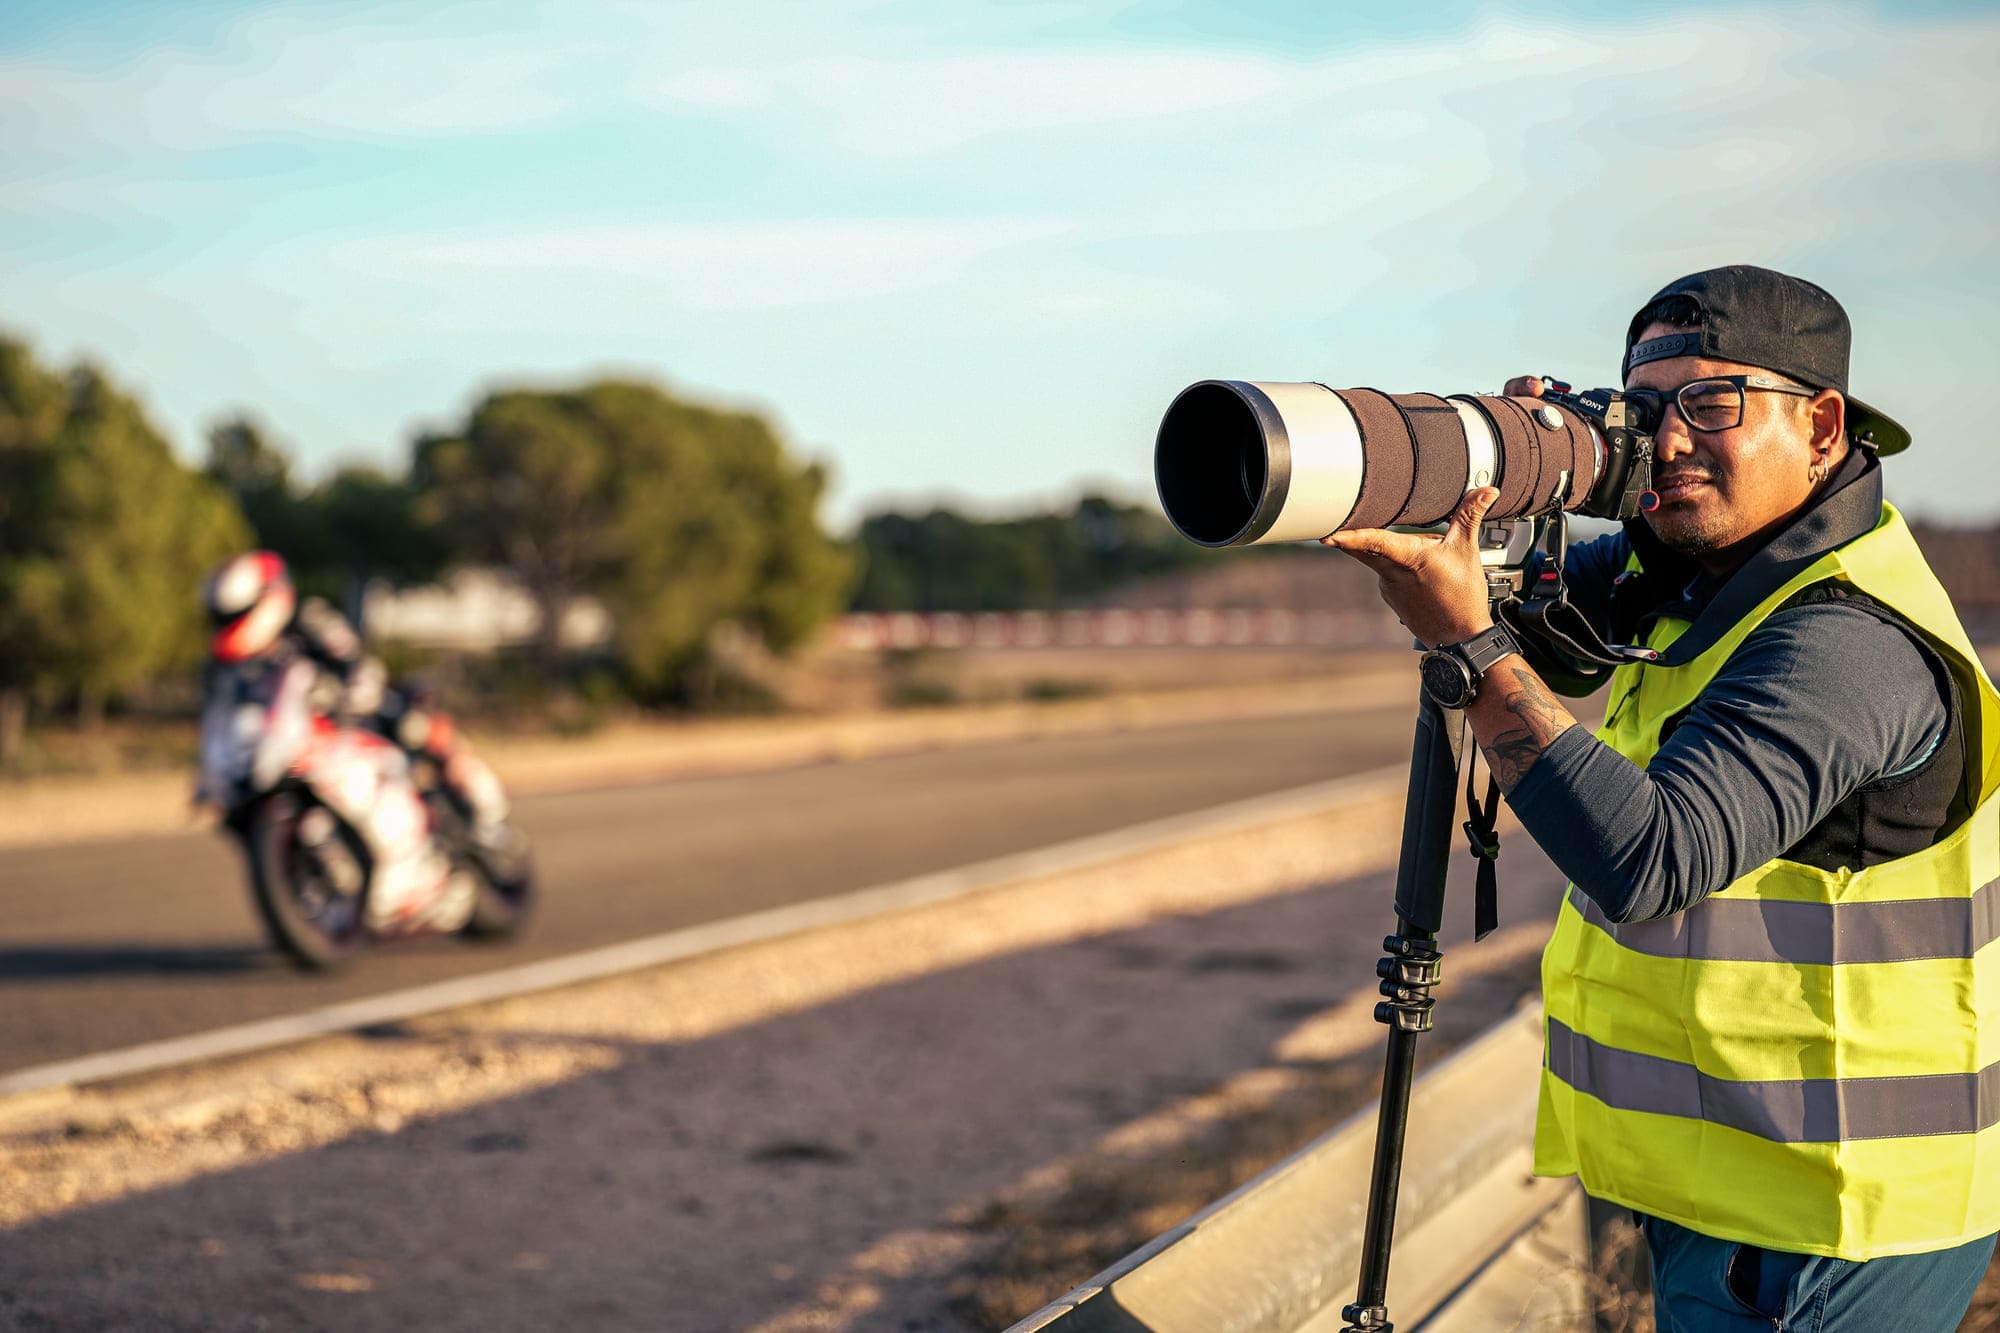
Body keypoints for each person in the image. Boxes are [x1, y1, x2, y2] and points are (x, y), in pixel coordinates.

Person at [1324, 266, 1997, 1330]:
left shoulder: (1847, 640)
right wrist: (1520, 488)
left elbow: (1649, 861)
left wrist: (1466, 641)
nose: (1670, 437)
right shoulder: (1712, 571)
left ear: (1821, 427)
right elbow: (1555, 640)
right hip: (1734, 1182)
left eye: (1712, 402)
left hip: (1824, 1218)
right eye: (1642, 409)